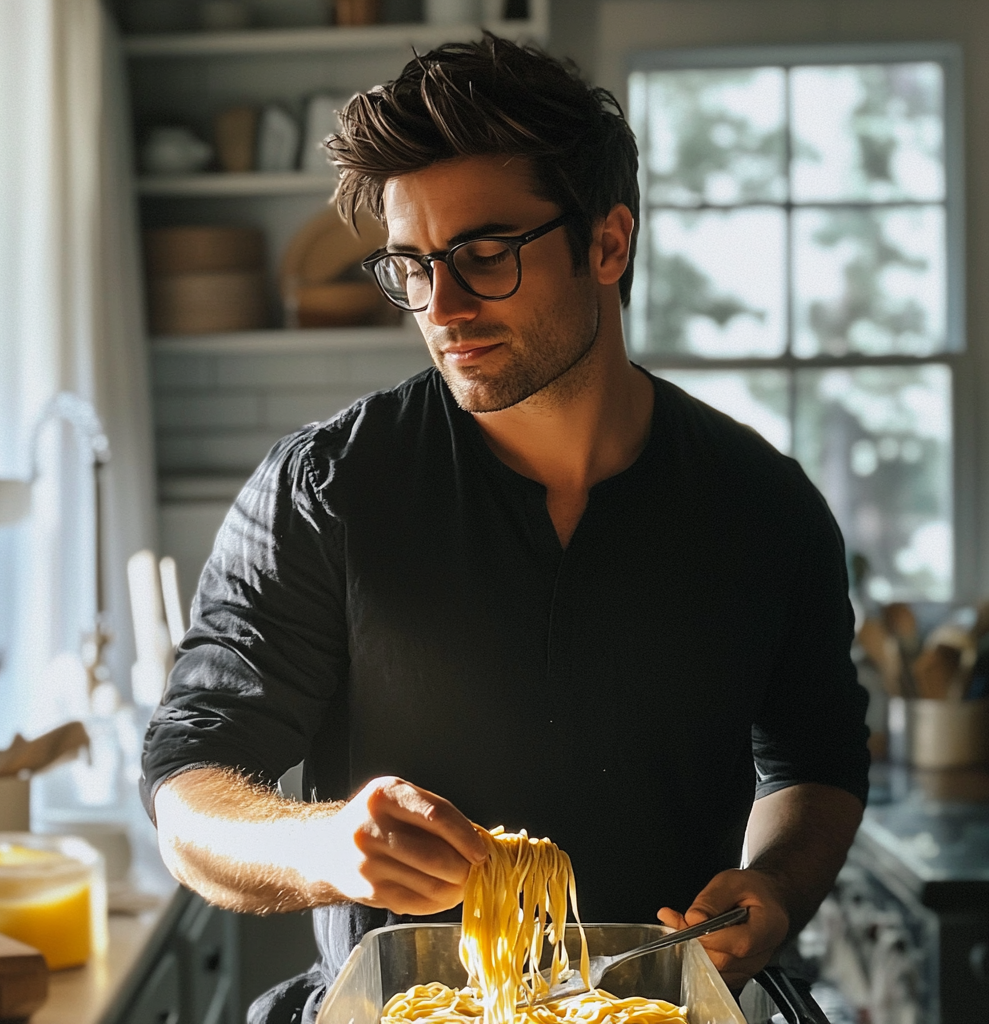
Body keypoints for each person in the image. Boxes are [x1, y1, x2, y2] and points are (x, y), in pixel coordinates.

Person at [141, 34, 869, 1023]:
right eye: (411, 263)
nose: (442, 306)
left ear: (607, 244)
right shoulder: (325, 491)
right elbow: (190, 794)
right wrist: (327, 844)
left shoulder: (766, 510)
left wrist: (777, 885)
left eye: (484, 256)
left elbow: (815, 766)